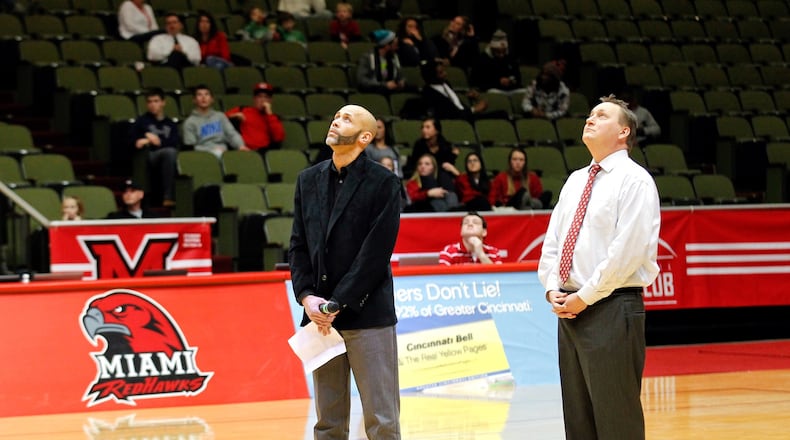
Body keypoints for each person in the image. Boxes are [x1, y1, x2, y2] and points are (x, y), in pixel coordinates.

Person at [538, 95, 660, 440]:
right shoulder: (576, 179)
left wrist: (586, 296)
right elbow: (554, 243)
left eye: (601, 115)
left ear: (623, 131)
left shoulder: (634, 180)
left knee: (616, 419)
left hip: (612, 306)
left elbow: (627, 253)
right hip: (570, 309)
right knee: (578, 421)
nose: (590, 119)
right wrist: (552, 287)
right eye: (590, 114)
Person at [289, 104, 402, 440]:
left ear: (365, 137)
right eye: (336, 116)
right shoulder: (307, 180)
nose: (336, 120)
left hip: (367, 314)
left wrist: (336, 303)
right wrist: (308, 297)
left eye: (347, 118)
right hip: (320, 320)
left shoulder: (384, 183)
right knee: (328, 423)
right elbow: (298, 246)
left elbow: (375, 253)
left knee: (381, 419)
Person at [129, 88, 180, 207]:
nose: (153, 105)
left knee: (171, 153)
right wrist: (147, 140)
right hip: (148, 155)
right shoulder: (141, 121)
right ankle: (167, 196)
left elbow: (175, 141)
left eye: (156, 101)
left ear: (163, 102)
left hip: (167, 154)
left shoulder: (170, 123)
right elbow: (133, 141)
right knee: (169, 153)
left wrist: (158, 141)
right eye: (150, 102)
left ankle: (169, 197)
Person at [183, 85, 248, 159]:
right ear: (194, 100)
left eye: (206, 94)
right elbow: (191, 147)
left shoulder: (220, 116)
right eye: (199, 95)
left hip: (224, 153)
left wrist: (241, 146)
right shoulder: (189, 122)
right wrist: (211, 151)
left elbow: (232, 134)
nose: (203, 98)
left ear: (212, 99)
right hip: (203, 155)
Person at [225, 82, 285, 156]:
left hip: (263, 154)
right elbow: (220, 120)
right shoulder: (242, 110)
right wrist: (233, 117)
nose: (263, 100)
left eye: (266, 97)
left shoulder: (273, 118)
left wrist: (269, 114)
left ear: (270, 101)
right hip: (241, 151)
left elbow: (278, 138)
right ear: (254, 99)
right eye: (259, 97)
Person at [421, 61, 489, 121]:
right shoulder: (429, 93)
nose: (445, 74)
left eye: (444, 71)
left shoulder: (446, 83)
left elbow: (453, 101)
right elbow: (450, 114)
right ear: (432, 76)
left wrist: (467, 95)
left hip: (469, 116)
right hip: (460, 121)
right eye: (441, 73)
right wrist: (474, 109)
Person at [405, 117, 459, 189]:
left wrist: (453, 156)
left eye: (427, 127)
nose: (424, 130)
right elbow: (415, 165)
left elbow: (447, 165)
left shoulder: (445, 146)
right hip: (424, 178)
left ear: (436, 130)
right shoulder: (419, 145)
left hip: (442, 178)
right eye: (422, 127)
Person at [470, 29, 525, 95]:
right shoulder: (483, 59)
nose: (501, 55)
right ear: (492, 49)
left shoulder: (510, 58)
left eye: (503, 52)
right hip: (493, 89)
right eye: (498, 52)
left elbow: (517, 78)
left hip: (511, 89)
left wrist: (511, 81)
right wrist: (498, 81)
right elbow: (477, 81)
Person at [355, 29, 407, 95]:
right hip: (374, 90)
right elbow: (362, 80)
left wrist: (401, 82)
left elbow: (400, 76)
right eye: (395, 44)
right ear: (387, 45)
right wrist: (383, 85)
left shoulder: (394, 58)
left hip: (392, 90)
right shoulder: (367, 58)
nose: (397, 47)